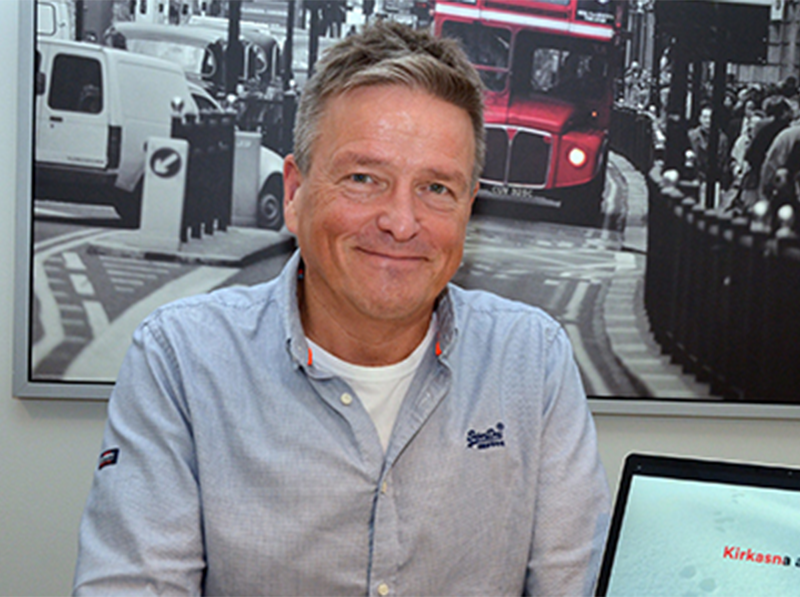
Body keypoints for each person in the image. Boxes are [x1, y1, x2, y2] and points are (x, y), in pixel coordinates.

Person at [73, 21, 610, 596]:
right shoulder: (181, 361)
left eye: (436, 189)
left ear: (467, 208)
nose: (401, 223)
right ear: (295, 194)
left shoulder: (534, 362)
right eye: (363, 178)